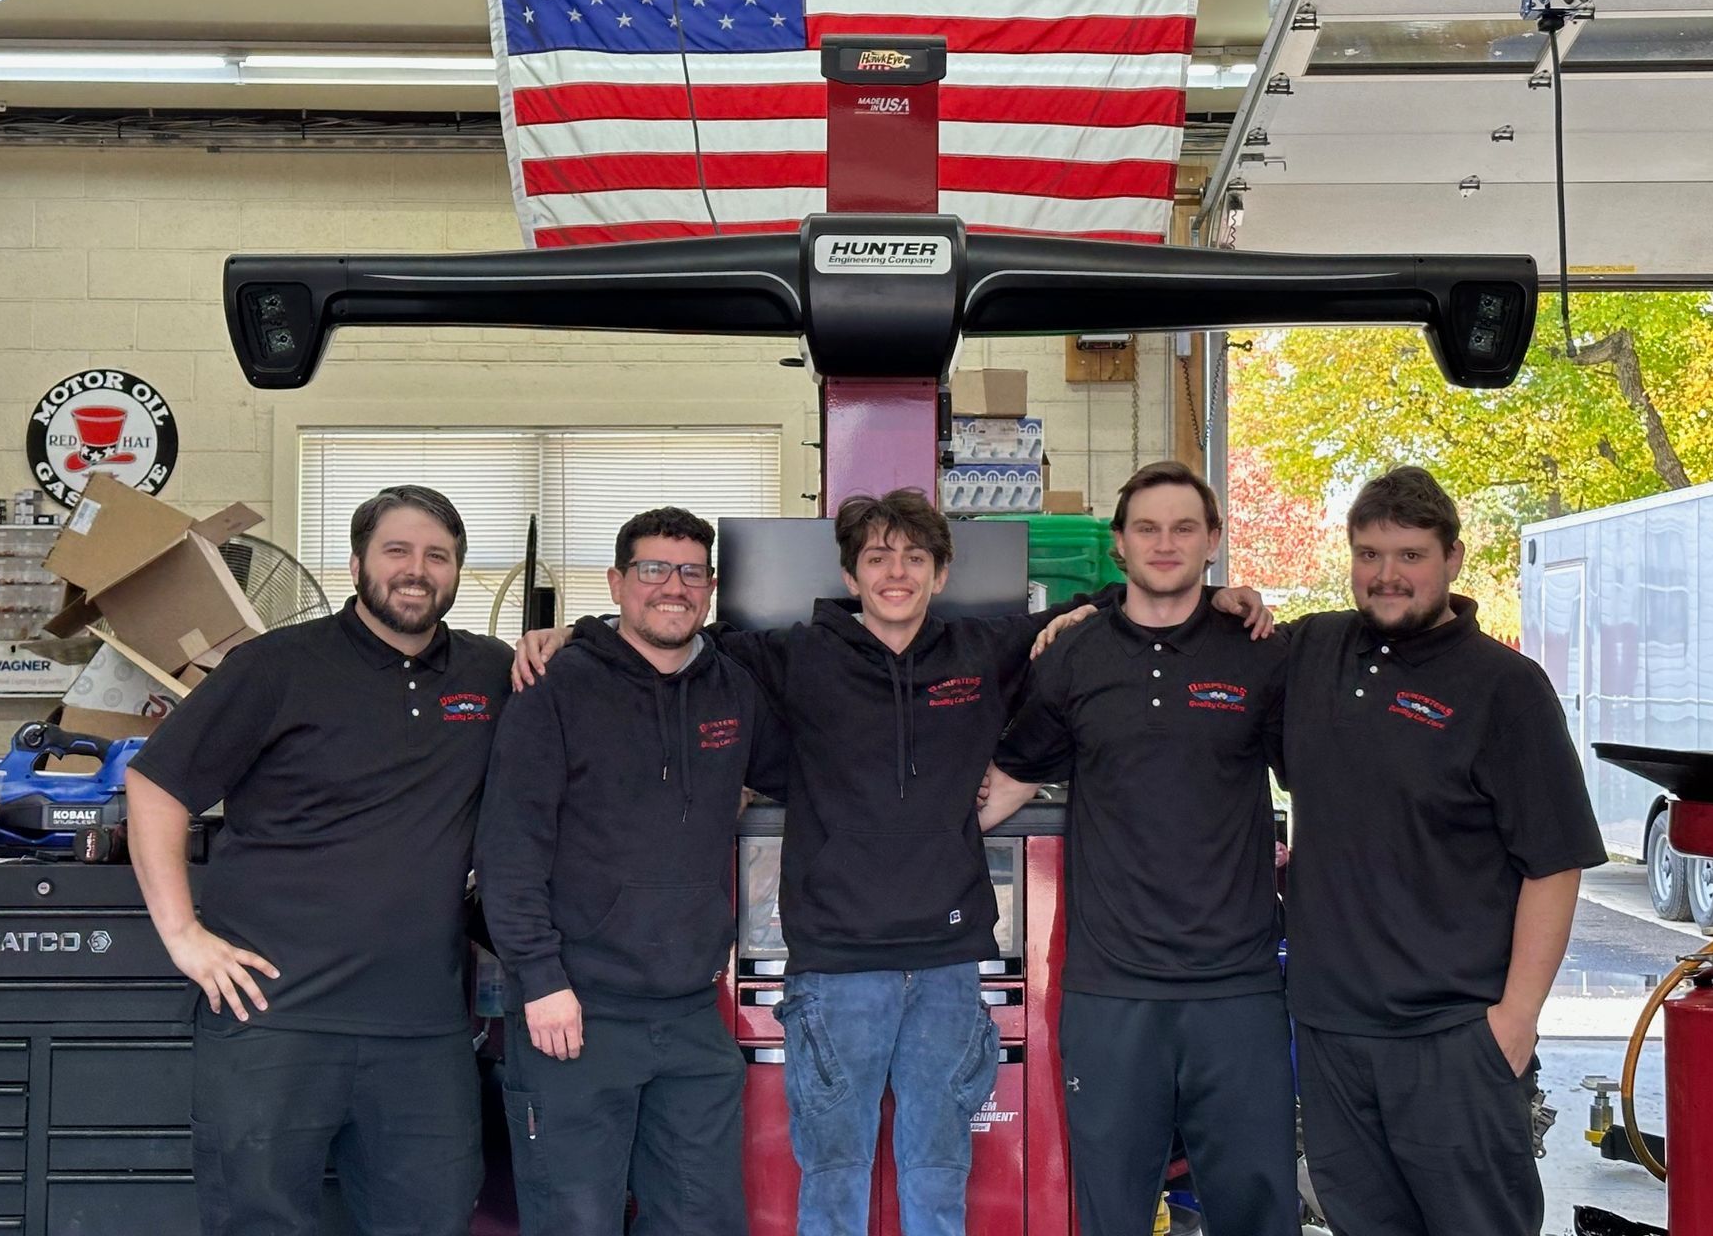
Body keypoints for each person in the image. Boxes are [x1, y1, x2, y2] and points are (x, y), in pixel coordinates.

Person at [511, 488, 1266, 1236]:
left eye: (914, 558)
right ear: (850, 576)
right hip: (836, 973)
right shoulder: (792, 656)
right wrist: (572, 632)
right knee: (833, 1186)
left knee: (939, 1181)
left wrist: (1222, 596)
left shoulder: (981, 652)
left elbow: (1119, 598)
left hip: (946, 969)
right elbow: (662, 634)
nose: (895, 573)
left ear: (940, 575)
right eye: (877, 557)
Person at [126, 485, 512, 1236]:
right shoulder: (276, 666)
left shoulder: (490, 673)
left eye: (437, 556)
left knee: (432, 1219)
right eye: (396, 551)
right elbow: (156, 785)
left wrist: (559, 640)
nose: (416, 569)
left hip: (422, 1032)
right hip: (273, 1021)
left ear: (458, 573)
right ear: (356, 563)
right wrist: (183, 936)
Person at [1282, 466, 1606, 1236]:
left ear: (1453, 558)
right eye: (1368, 554)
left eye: (1410, 555)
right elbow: (1200, 640)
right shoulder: (1313, 652)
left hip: (1453, 1038)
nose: (1386, 575)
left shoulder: (1505, 688)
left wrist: (1513, 1025)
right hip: (1333, 1034)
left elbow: (1554, 865)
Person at [978, 462, 1298, 1236]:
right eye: (1147, 528)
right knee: (1111, 1209)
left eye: (1185, 528)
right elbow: (1007, 784)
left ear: (1213, 542)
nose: (1166, 543)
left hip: (1238, 989)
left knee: (1256, 1206)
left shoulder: (1258, 652)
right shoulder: (1076, 655)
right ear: (1118, 545)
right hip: (1111, 989)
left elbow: (1327, 785)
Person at [475, 507, 790, 1235]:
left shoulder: (733, 690)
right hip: (575, 1013)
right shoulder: (555, 688)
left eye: (690, 573)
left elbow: (795, 773)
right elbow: (510, 847)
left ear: (710, 588)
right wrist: (542, 979)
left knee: (701, 1219)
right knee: (576, 1219)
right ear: (618, 583)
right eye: (653, 570)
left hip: (687, 1012)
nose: (671, 587)